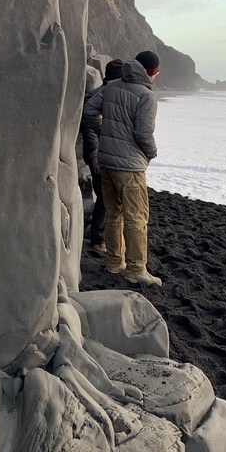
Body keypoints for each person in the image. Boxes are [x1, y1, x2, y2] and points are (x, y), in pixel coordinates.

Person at [82, 50, 162, 287]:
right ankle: (136, 268)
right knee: (137, 217)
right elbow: (143, 133)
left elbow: (88, 111)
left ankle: (114, 262)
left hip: (107, 162)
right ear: (151, 72)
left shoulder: (112, 86)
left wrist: (106, 135)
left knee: (113, 213)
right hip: (130, 167)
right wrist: (152, 152)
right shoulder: (146, 96)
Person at [80, 59, 124, 256]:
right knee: (105, 197)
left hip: (102, 153)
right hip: (98, 153)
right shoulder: (100, 96)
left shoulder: (106, 94)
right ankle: (97, 239)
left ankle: (99, 236)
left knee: (105, 196)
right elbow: (89, 127)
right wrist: (95, 153)